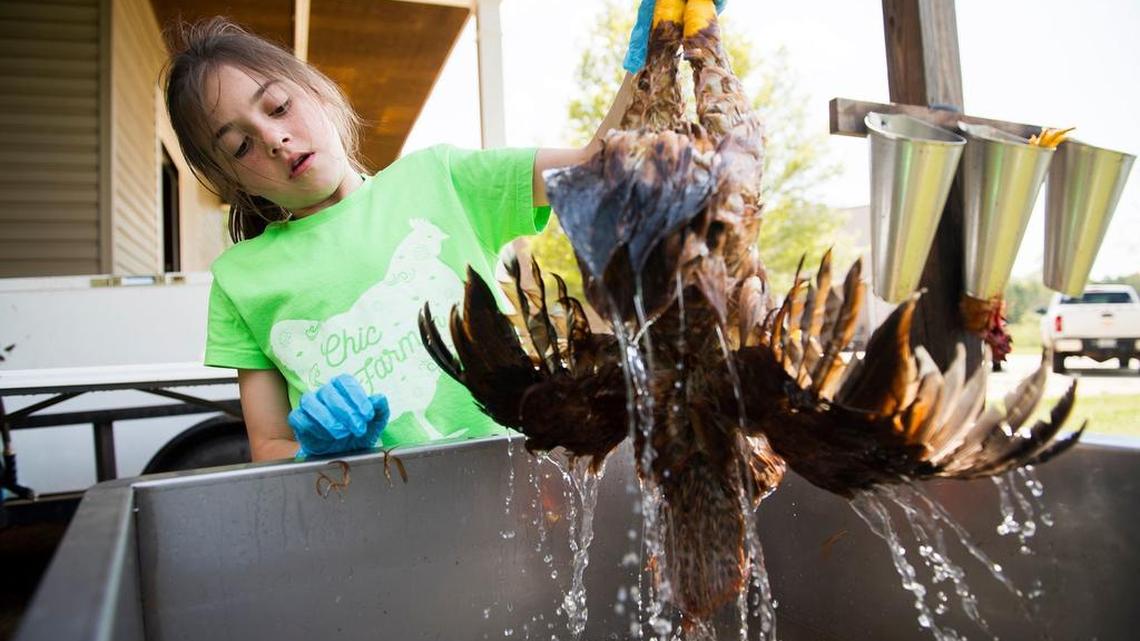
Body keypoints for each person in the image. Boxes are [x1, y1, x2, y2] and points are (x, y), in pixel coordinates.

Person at [162, 16, 634, 461]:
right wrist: (317, 450)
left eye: (279, 106)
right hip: (368, 523)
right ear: (233, 182)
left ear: (318, 92)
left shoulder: (441, 177)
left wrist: (653, 51)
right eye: (240, 146)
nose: (273, 139)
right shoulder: (239, 280)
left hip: (511, 486)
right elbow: (269, 445)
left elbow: (597, 169)